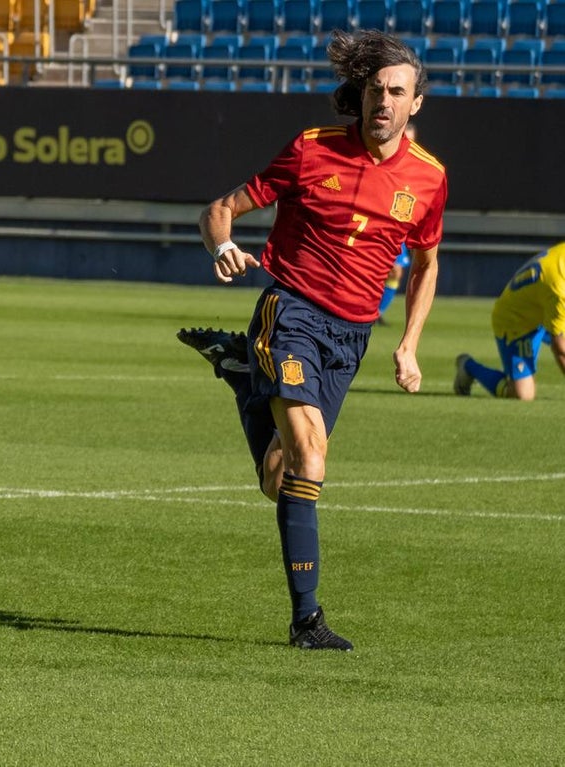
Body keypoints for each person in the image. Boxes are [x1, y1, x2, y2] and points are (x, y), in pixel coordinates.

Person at [177, 30, 448, 651]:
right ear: (360, 94)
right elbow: (218, 208)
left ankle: (244, 375)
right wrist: (222, 246)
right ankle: (307, 621)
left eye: (396, 92)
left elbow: (427, 264)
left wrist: (409, 344)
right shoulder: (311, 148)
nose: (383, 101)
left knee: (281, 475)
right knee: (313, 461)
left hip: (350, 339)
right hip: (291, 313)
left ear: (416, 103)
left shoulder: (429, 179)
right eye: (375, 90)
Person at [454, 242, 565, 400]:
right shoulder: (560, 288)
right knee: (522, 395)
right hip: (517, 322)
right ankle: (468, 366)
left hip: (543, 309)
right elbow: (560, 347)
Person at [376, 123, 418, 325]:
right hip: (375, 222)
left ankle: (377, 313)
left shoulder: (417, 168)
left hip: (396, 226)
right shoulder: (381, 161)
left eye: (411, 139)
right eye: (404, 138)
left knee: (396, 271)